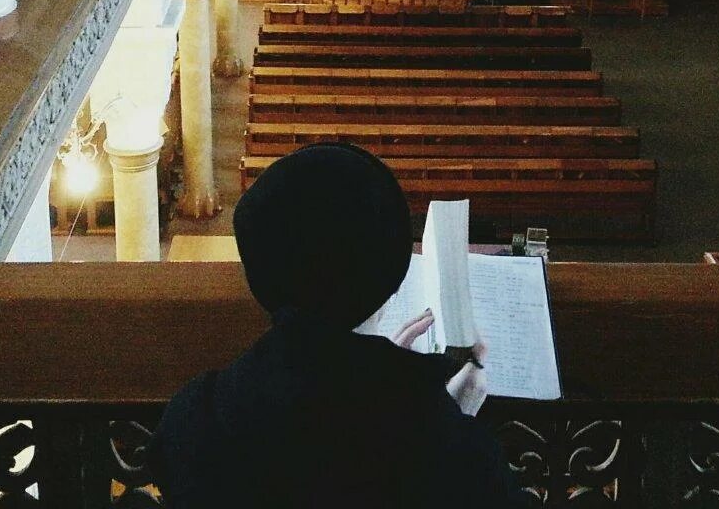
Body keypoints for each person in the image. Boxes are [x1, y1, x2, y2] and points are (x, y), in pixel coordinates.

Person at [147, 143, 533, 508]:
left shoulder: (195, 416)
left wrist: (385, 375)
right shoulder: (439, 443)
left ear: (259, 277)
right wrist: (455, 417)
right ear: (393, 274)